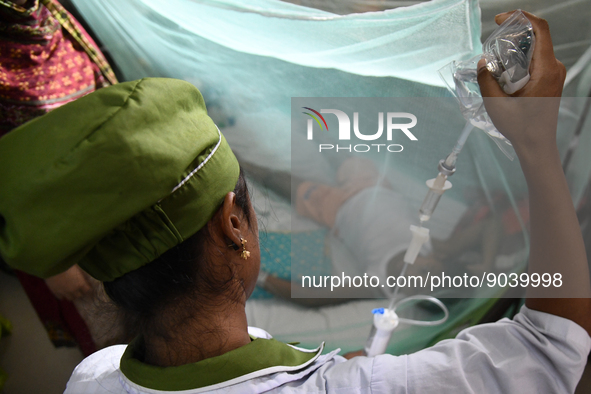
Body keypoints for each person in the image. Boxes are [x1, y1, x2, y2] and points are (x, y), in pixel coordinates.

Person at [0, 11, 589, 394]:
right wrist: (534, 142)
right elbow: (548, 345)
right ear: (234, 226)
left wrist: (325, 360)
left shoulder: (94, 377)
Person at [0, 0, 120, 354]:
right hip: (55, 241)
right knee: (115, 349)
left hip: (119, 202)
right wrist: (47, 259)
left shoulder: (57, 14)